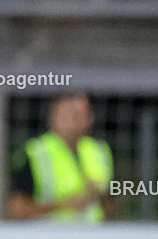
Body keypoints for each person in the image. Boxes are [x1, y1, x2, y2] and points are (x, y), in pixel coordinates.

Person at [7, 90, 116, 222]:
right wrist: (63, 206)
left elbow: (112, 207)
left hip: (92, 238)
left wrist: (100, 198)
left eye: (84, 114)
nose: (81, 122)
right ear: (55, 117)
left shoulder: (99, 151)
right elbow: (16, 211)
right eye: (73, 116)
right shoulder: (35, 152)